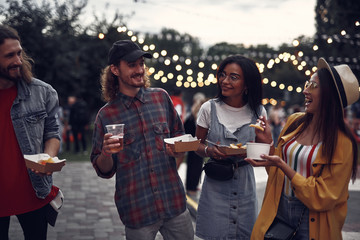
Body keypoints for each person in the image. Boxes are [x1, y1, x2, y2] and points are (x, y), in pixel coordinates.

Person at [90, 39, 194, 240]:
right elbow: (103, 170)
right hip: (137, 209)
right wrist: (106, 153)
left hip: (173, 202)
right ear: (115, 70)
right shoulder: (106, 115)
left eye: (141, 64)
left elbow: (180, 137)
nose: (139, 70)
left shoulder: (161, 98)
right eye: (131, 65)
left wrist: (179, 150)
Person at [246, 58, 359, 240]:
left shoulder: (343, 142)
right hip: (279, 210)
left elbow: (322, 197)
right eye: (308, 84)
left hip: (313, 220)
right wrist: (268, 142)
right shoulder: (294, 122)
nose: (305, 90)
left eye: (313, 85)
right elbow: (275, 171)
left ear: (330, 95)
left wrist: (283, 166)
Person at [194, 55, 270, 239]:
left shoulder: (259, 112)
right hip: (215, 184)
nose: (225, 81)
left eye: (233, 77)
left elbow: (264, 153)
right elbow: (196, 145)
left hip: (245, 184)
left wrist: (263, 141)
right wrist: (208, 151)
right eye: (222, 75)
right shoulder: (208, 108)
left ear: (247, 85)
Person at [0, 25, 61, 240]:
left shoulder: (42, 92)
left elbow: (53, 132)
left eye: (19, 53)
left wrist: (48, 157)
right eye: (9, 56)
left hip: (34, 192)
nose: (17, 60)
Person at [184, 92, 206, 197]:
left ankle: (190, 186)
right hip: (199, 143)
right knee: (196, 165)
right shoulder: (202, 112)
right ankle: (192, 186)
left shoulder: (192, 112)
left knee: (191, 164)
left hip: (190, 143)